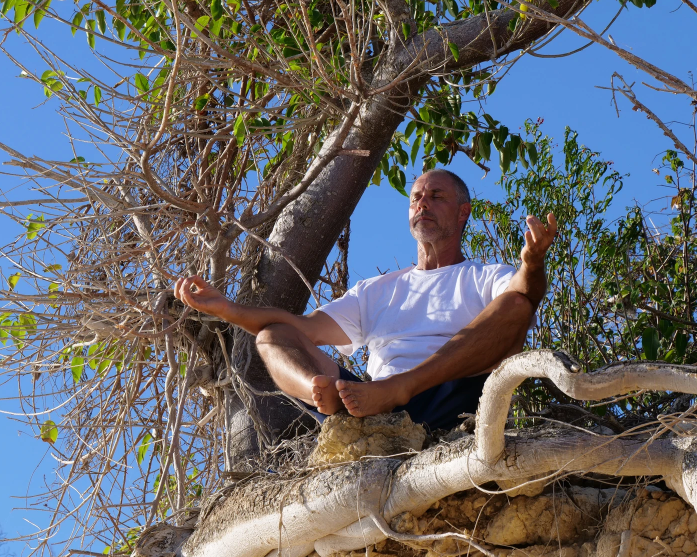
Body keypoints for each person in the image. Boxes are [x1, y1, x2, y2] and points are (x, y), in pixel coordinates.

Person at [175, 169, 557, 432]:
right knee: (272, 337)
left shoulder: (484, 276)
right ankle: (326, 400)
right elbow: (305, 330)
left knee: (517, 306)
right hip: (373, 403)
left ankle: (397, 388)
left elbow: (526, 294)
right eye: (416, 198)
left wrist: (533, 262)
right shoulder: (378, 290)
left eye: (436, 197)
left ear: (463, 213)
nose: (422, 204)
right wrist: (226, 309)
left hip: (451, 396)